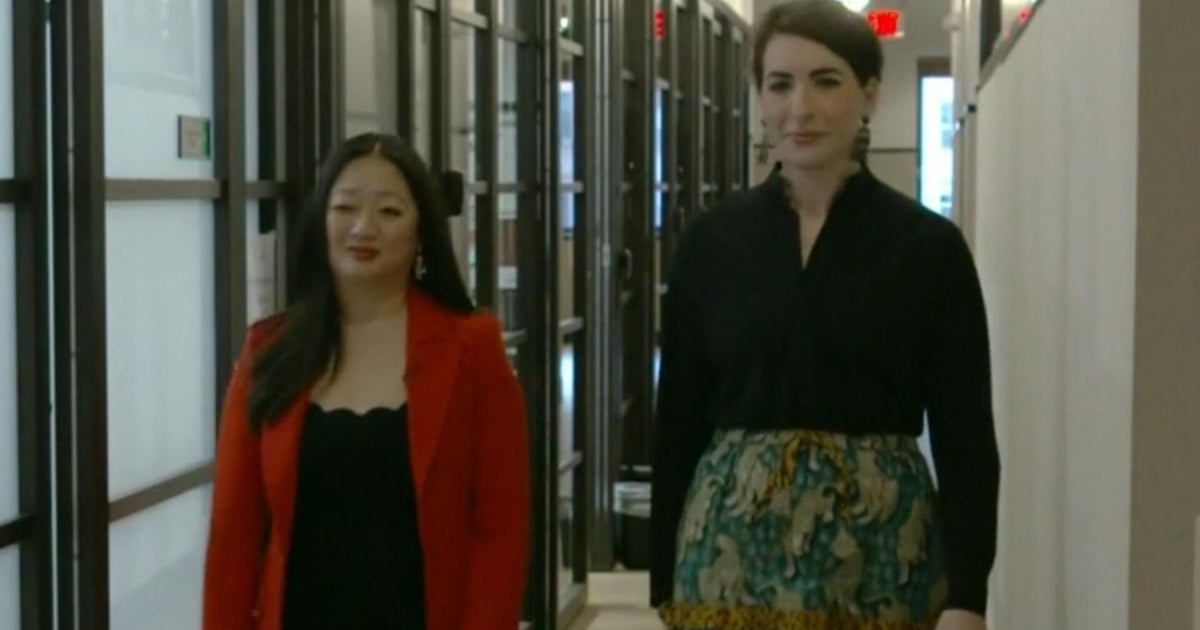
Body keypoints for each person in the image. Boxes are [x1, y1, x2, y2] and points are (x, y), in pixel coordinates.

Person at [649, 2, 1000, 629]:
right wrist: (662, 583)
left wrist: (968, 597)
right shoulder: (711, 244)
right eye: (780, 84)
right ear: (760, 97)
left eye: (826, 81)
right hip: (728, 559)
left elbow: (965, 436)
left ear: (869, 93)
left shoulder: (928, 249)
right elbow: (677, 420)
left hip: (882, 556)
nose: (800, 108)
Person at [202, 133, 530, 630]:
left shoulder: (473, 349)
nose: (363, 228)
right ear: (321, 221)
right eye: (345, 208)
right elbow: (234, 535)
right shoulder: (269, 352)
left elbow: (501, 531)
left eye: (389, 211)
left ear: (421, 232)